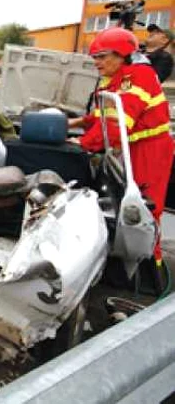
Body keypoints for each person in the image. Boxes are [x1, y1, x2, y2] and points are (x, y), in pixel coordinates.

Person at [69, 27, 173, 280]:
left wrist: (82, 143)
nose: (97, 62)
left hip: (150, 150)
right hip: (131, 149)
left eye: (103, 56)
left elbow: (117, 124)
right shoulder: (118, 76)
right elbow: (105, 112)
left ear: (122, 54)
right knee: (123, 202)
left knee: (144, 210)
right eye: (95, 57)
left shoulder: (139, 77)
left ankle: (150, 274)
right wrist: (77, 122)